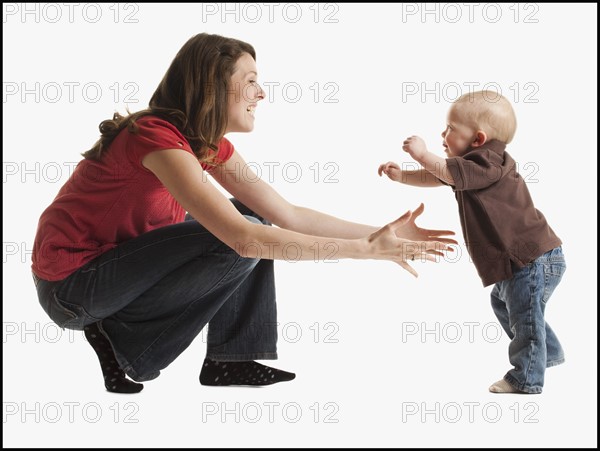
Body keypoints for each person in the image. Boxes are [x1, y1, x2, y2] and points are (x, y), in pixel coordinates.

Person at [31, 33, 457, 394]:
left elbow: (287, 214)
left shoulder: (205, 143)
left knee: (247, 215)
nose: (261, 93)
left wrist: (381, 237)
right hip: (74, 290)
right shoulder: (154, 137)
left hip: (123, 274)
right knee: (242, 235)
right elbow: (245, 240)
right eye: (251, 81)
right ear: (212, 87)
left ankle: (228, 359)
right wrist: (363, 252)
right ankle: (120, 340)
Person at [378, 90, 565, 394]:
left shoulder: (488, 162)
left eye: (451, 128)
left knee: (524, 315)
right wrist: (403, 176)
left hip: (531, 259)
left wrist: (422, 153)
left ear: (478, 139)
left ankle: (526, 377)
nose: (443, 133)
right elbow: (439, 177)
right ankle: (548, 354)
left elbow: (443, 171)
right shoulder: (469, 167)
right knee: (509, 305)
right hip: (529, 259)